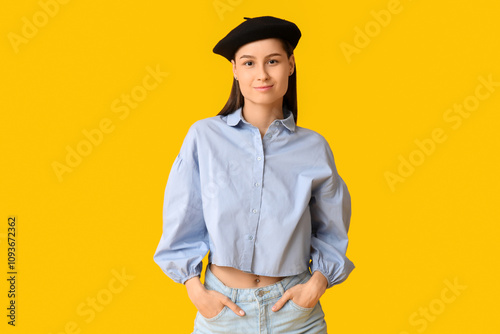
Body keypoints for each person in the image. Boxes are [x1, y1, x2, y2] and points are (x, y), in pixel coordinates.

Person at [154, 16, 354, 334]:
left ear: (290, 65)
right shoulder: (203, 137)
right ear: (235, 70)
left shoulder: (313, 147)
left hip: (296, 314)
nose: (261, 74)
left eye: (272, 61)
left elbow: (332, 230)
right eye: (249, 63)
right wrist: (196, 291)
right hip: (223, 312)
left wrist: (316, 285)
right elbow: (182, 221)